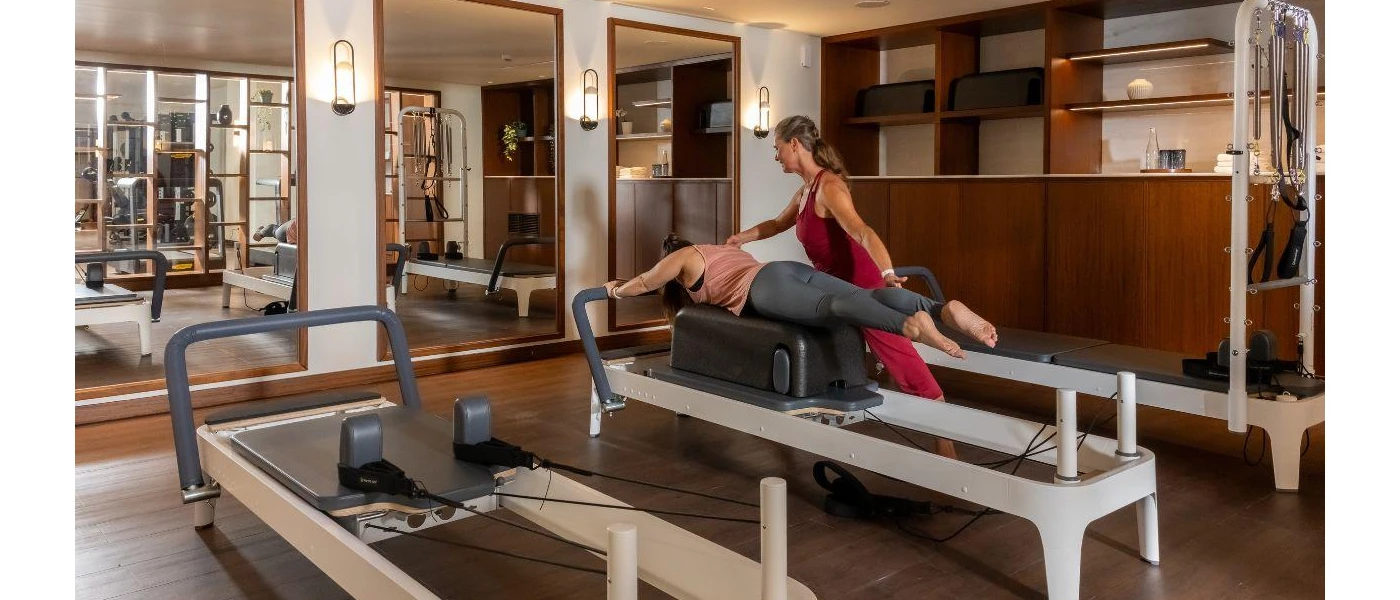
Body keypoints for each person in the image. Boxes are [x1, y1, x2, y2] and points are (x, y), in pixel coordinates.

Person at [724, 115, 991, 458]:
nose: (776, 156)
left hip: (858, 284)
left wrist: (888, 271)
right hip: (832, 288)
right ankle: (935, 311)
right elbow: (776, 224)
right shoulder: (806, 190)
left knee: (904, 362)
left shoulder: (829, 187)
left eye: (777, 148)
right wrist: (741, 238)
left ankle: (946, 449)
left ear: (794, 144)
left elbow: (862, 231)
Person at [603, 235, 996, 364]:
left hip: (765, 288)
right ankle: (937, 309)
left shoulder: (682, 259)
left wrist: (615, 290)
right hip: (786, 269)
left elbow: (645, 281)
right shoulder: (718, 249)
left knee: (834, 308)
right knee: (862, 294)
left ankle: (910, 326)